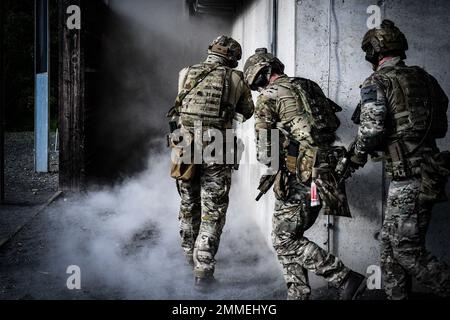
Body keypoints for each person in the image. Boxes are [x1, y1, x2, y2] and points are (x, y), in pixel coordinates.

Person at [243, 48, 366, 300]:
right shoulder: (309, 85)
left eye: (256, 82)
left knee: (283, 240)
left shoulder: (268, 96)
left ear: (265, 74)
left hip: (301, 173)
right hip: (327, 170)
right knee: (289, 235)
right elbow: (330, 124)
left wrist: (272, 168)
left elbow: (265, 146)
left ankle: (344, 277)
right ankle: (298, 293)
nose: (257, 89)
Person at [341, 20, 450, 299]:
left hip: (408, 179)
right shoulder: (426, 79)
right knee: (389, 245)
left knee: (406, 251)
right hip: (427, 172)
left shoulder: (377, 81)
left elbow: (371, 130)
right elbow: (439, 127)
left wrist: (352, 158)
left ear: (373, 52)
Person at [167, 36, 254, 290]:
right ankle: (203, 271)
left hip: (184, 144)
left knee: (188, 203)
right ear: (233, 58)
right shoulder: (236, 78)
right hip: (218, 145)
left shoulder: (185, 73)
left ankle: (187, 256)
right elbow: (247, 111)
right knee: (212, 210)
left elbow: (179, 107)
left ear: (210, 52)